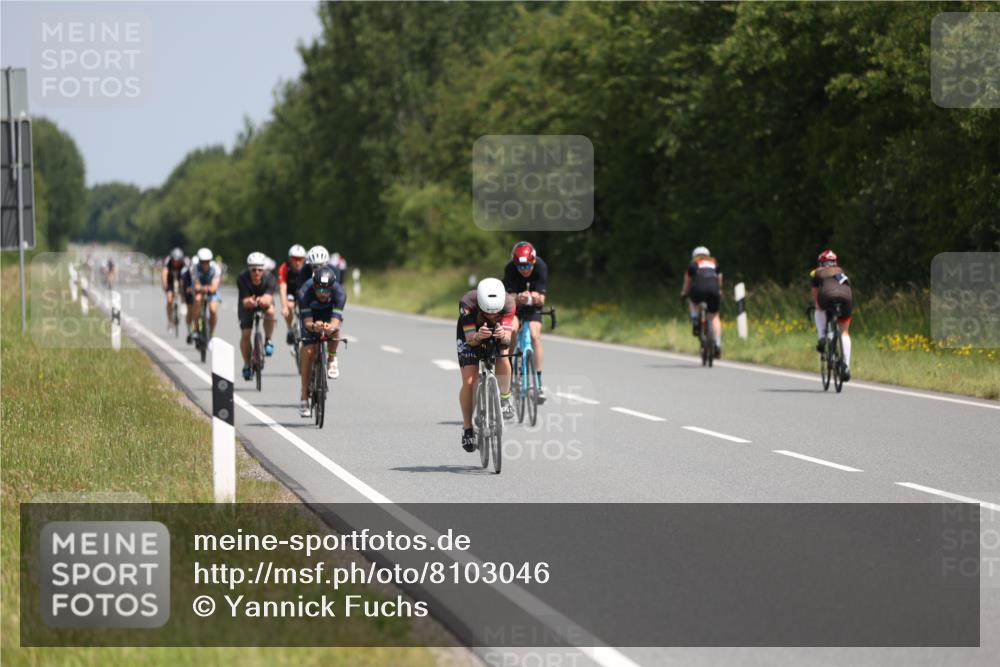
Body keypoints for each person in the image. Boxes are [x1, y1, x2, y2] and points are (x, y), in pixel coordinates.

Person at [457, 278, 515, 453]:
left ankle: (505, 398)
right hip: (472, 333)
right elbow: (470, 341)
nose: (491, 316)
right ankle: (467, 428)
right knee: (469, 381)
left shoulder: (509, 303)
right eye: (487, 313)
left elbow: (507, 340)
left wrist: (502, 335)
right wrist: (478, 337)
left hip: (497, 332)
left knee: (503, 357)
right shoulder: (467, 303)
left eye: (495, 313)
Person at [297, 266, 347, 417]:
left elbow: (335, 322)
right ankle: (304, 397)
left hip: (328, 315)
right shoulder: (304, 293)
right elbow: (307, 323)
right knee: (309, 350)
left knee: (335, 330)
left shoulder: (339, 293)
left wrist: (329, 327)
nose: (323, 293)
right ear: (313, 285)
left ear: (332, 287)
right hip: (311, 318)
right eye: (319, 289)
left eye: (326, 290)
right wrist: (314, 326)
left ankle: (332, 358)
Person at [503, 241, 549, 402]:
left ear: (534, 261)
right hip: (514, 306)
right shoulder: (510, 269)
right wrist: (518, 297)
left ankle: (538, 382)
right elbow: (508, 298)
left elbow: (542, 299)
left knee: (535, 336)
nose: (524, 270)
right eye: (520, 267)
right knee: (513, 330)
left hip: (533, 307)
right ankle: (508, 367)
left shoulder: (541, 266)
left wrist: (536, 297)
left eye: (527, 266)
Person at [811, 249, 853, 381]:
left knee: (819, 309)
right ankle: (845, 365)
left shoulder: (816, 272)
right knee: (844, 332)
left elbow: (816, 299)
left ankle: (822, 337)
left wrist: (817, 304)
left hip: (827, 296)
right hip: (846, 298)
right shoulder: (841, 272)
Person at [237, 252, 278, 380]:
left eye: (260, 269)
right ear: (249, 269)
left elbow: (268, 298)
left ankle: (268, 340)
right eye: (253, 269)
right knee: (246, 334)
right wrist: (250, 302)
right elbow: (244, 301)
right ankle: (247, 364)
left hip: (263, 301)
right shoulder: (242, 278)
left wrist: (260, 300)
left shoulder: (270, 278)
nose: (257, 273)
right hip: (247, 304)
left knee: (270, 311)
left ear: (263, 270)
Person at [681, 245, 723, 358]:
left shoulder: (693, 264)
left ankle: (695, 319)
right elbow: (719, 279)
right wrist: (719, 291)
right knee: (714, 316)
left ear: (694, 256)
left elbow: (687, 283)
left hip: (698, 289)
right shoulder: (715, 263)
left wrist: (684, 293)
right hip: (714, 289)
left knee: (692, 300)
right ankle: (718, 345)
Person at [278, 244, 310, 346]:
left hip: (303, 290)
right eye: (294, 259)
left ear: (304, 259)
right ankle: (290, 329)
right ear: (290, 259)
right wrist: (284, 307)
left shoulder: (308, 267)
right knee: (290, 306)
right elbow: (282, 288)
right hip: (290, 291)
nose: (297, 262)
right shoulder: (284, 268)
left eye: (300, 259)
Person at [189, 247, 222, 342]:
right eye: (202, 262)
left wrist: (209, 288)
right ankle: (195, 327)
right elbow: (196, 285)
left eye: (207, 262)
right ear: (199, 261)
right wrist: (202, 288)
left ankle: (211, 332)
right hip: (201, 289)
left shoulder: (215, 268)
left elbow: (214, 286)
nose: (205, 264)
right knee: (197, 299)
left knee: (213, 309)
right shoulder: (194, 268)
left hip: (212, 290)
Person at [161, 247, 188, 334]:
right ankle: (170, 321)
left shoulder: (184, 262)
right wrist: (165, 285)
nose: (176, 263)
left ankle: (183, 305)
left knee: (184, 291)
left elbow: (187, 275)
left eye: (178, 261)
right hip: (170, 280)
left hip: (181, 278)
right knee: (169, 300)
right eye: (174, 260)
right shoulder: (168, 261)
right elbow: (164, 273)